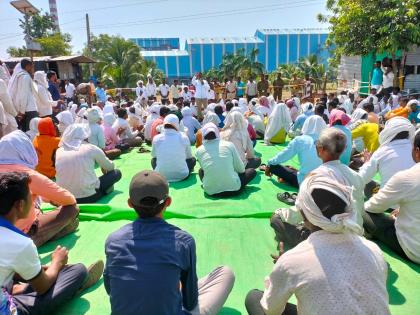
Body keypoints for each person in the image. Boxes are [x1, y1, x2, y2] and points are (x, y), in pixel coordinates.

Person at [245, 174, 389, 315]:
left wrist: (282, 269)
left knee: (253, 298)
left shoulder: (293, 260)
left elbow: (271, 310)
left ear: (303, 214)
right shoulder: (373, 250)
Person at [104, 170, 235, 315]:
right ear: (168, 202)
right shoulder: (184, 242)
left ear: (130, 204)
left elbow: (111, 289)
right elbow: (190, 302)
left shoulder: (113, 240)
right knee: (225, 273)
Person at [0, 172, 104, 315]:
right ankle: (73, 288)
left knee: (32, 276)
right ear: (20, 204)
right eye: (31, 196)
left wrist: (43, 269)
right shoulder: (20, 243)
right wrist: (57, 262)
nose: (34, 199)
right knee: (77, 271)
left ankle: (17, 289)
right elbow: (42, 287)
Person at [0, 130, 79, 247]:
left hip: (5, 232)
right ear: (25, 150)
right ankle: (40, 237)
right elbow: (69, 199)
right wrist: (53, 199)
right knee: (72, 209)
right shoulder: (26, 175)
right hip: (20, 234)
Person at [363, 130, 420, 263]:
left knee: (363, 211)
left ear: (417, 151)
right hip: (396, 198)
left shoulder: (407, 177)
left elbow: (371, 207)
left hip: (414, 249)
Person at [55, 124, 122, 204]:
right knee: (116, 173)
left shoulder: (59, 151)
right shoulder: (91, 148)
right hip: (88, 197)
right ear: (85, 135)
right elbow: (110, 167)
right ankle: (104, 191)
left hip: (64, 198)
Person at [196, 123, 256, 197]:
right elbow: (241, 169)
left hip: (211, 192)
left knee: (201, 171)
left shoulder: (198, 150)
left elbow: (205, 169)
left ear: (203, 134)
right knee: (251, 171)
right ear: (217, 133)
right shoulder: (229, 145)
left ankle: (212, 185)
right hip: (233, 189)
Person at [264, 115, 326, 188]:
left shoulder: (301, 140)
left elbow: (283, 155)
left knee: (273, 166)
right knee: (289, 168)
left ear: (306, 125)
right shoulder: (328, 140)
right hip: (324, 183)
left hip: (305, 183)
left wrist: (269, 164)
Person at [359, 117, 415, 190]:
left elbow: (362, 178)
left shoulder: (382, 151)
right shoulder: (416, 151)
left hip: (389, 198)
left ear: (388, 132)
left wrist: (366, 162)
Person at [151, 114, 195, 182]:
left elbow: (154, 156)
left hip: (161, 176)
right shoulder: (184, 137)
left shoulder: (156, 138)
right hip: (182, 175)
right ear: (178, 124)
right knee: (193, 160)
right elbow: (189, 157)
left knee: (153, 160)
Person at [7, 59, 38, 132]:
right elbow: (24, 95)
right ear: (28, 66)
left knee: (26, 132)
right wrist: (22, 111)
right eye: (32, 66)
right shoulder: (25, 76)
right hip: (29, 110)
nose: (32, 69)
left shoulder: (18, 76)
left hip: (24, 110)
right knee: (32, 132)